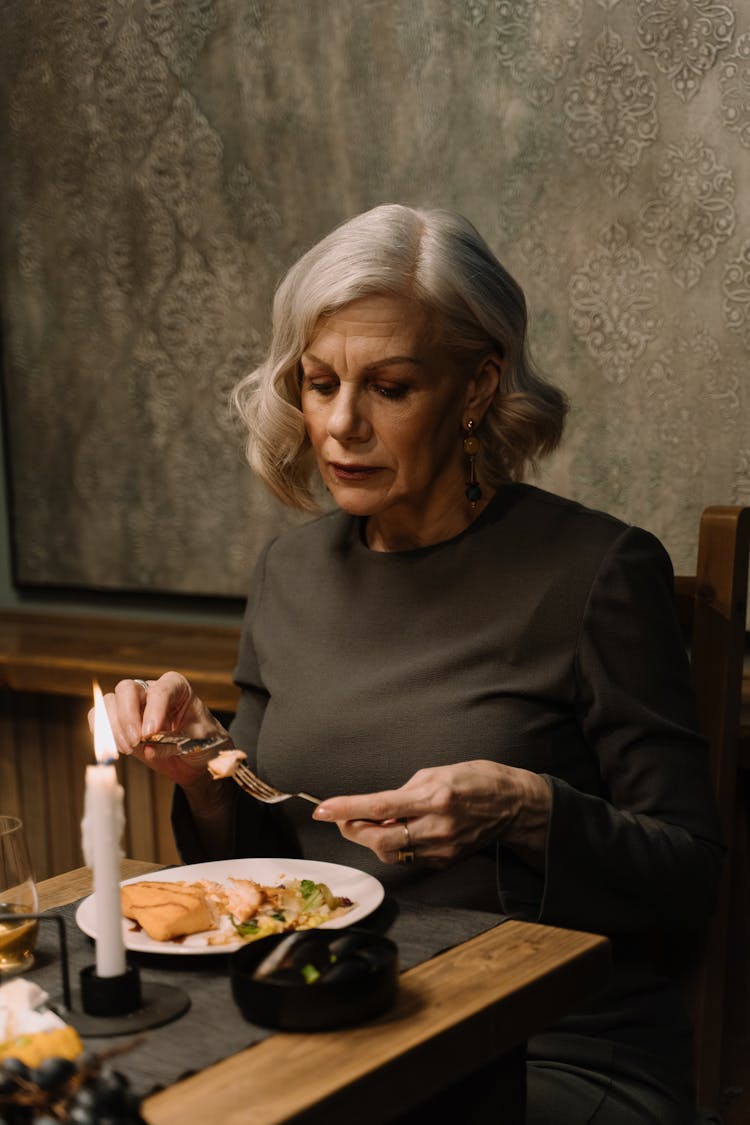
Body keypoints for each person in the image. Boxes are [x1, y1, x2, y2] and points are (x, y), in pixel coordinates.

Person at [101, 204, 723, 1124]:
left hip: (544, 1040)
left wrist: (528, 809)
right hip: (323, 1023)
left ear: (476, 387)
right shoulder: (289, 572)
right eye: (318, 384)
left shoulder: (597, 571)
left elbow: (689, 873)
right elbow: (265, 871)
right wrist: (203, 776)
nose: (340, 425)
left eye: (390, 387)